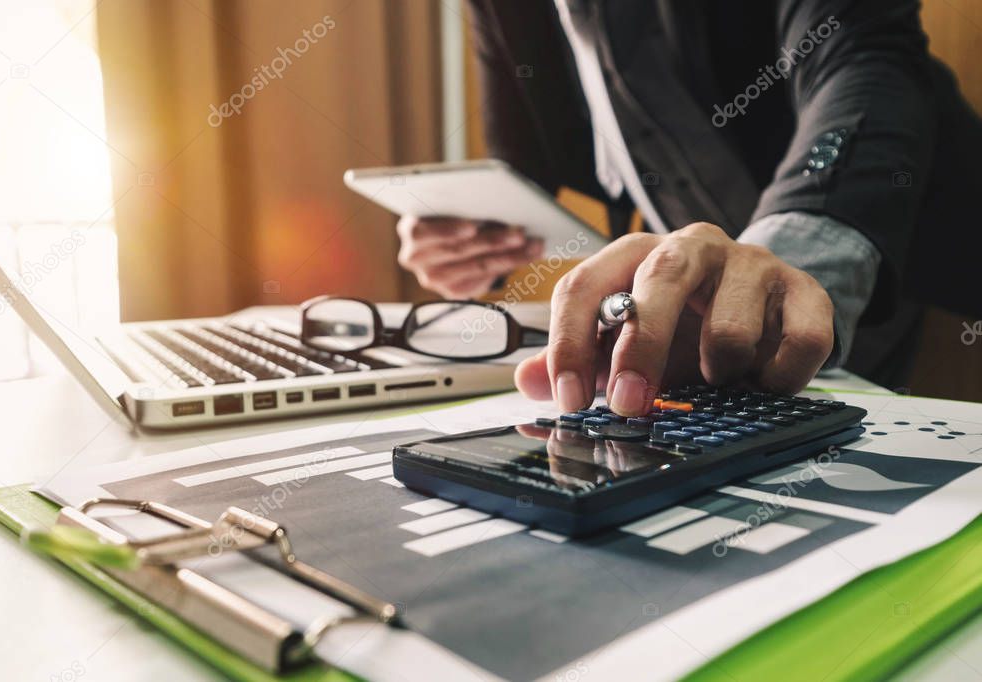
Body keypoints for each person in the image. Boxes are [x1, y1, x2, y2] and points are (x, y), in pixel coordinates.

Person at [396, 0, 982, 415]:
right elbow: (523, 160)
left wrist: (785, 257)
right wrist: (467, 240)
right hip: (685, 298)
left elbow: (864, 59)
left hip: (864, 236)